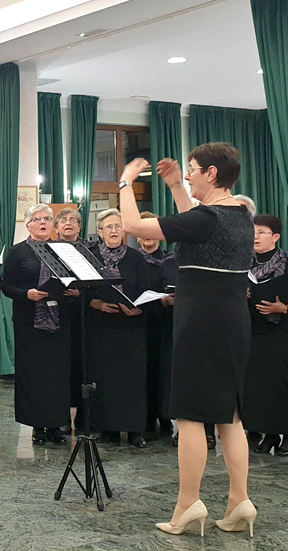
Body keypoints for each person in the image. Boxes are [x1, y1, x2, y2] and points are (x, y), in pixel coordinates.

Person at [120, 144, 255, 537]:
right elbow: (194, 222)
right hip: (234, 322)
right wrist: (177, 186)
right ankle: (239, 500)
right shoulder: (241, 215)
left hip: (200, 323)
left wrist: (126, 181)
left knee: (190, 415)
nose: (190, 174)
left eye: (193, 169)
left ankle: (187, 503)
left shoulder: (206, 218)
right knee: (230, 415)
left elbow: (133, 226)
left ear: (211, 173)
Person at [1, 204, 70, 445]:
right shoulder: (18, 252)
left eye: (47, 219)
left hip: (59, 321)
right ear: (28, 225)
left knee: (57, 375)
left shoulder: (63, 250)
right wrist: (26, 294)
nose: (43, 223)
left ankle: (56, 425)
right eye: (37, 219)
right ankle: (37, 426)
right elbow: (6, 286)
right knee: (33, 375)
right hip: (28, 322)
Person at [86, 209, 149, 448]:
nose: (114, 231)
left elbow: (146, 288)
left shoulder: (136, 257)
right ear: (100, 232)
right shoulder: (90, 257)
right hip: (102, 326)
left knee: (132, 380)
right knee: (105, 379)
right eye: (109, 227)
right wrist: (95, 303)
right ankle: (109, 429)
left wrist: (139, 308)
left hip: (131, 327)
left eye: (118, 226)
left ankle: (135, 430)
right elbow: (82, 290)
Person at [241, 214, 288, 456]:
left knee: (281, 384)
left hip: (281, 332)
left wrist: (283, 308)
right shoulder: (244, 264)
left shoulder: (286, 263)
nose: (256, 237)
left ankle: (286, 436)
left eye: (261, 232)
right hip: (253, 331)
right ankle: (267, 434)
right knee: (259, 385)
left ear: (276, 236)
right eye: (253, 232)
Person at [136, 211, 179, 440]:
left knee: (162, 371)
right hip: (138, 322)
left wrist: (167, 299)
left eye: (152, 232)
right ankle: (145, 417)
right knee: (143, 371)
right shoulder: (132, 259)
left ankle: (164, 417)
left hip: (164, 323)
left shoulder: (170, 260)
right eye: (143, 232)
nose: (148, 237)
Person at [54, 208, 91, 432]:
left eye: (73, 220)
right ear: (56, 227)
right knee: (61, 368)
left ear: (79, 226)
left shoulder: (90, 250)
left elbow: (97, 281)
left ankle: (84, 419)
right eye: (63, 220)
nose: (68, 223)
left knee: (83, 366)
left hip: (85, 315)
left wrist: (81, 293)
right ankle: (62, 418)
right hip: (56, 314)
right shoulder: (48, 249)